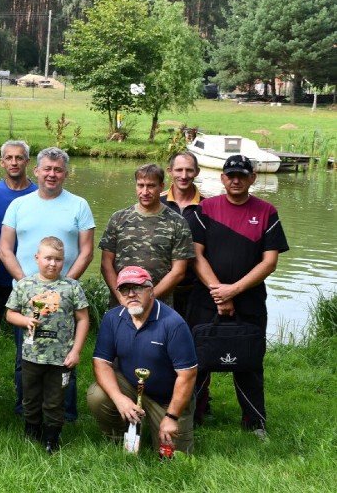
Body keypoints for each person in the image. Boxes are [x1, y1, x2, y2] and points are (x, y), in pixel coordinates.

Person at [188, 155, 289, 437]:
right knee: (197, 361)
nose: (235, 180)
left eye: (242, 175)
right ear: (222, 178)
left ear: (252, 178)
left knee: (250, 362)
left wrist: (234, 290)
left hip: (250, 300)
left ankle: (255, 422)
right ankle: (190, 417)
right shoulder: (205, 209)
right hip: (206, 298)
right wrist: (218, 292)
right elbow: (195, 255)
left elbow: (269, 262)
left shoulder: (267, 211)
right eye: (230, 175)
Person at [0, 146, 95, 418]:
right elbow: (6, 248)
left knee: (64, 358)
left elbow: (87, 251)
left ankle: (64, 413)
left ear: (66, 174)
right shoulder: (18, 205)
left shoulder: (79, 205)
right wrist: (28, 285)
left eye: (58, 170)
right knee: (25, 356)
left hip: (65, 296)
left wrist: (64, 287)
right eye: (47, 169)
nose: (52, 174)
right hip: (28, 296)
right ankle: (25, 409)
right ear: (37, 171)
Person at [87, 266, 198, 455]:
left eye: (137, 288)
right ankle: (119, 438)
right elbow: (101, 363)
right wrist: (119, 398)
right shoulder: (112, 318)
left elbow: (187, 375)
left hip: (167, 399)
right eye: (124, 289)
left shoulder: (173, 323)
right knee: (97, 395)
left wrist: (171, 416)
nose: (131, 294)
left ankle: (163, 424)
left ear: (151, 290)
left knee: (172, 458)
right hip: (130, 385)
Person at [5, 237, 89, 453]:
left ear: (64, 261)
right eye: (48, 258)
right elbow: (10, 314)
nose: (53, 263)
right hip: (31, 356)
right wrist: (24, 321)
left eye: (58, 260)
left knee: (55, 399)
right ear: (37, 258)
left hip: (61, 358)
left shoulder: (72, 287)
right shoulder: (25, 285)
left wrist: (76, 350)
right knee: (30, 397)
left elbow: (83, 319)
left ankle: (52, 438)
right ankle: (31, 432)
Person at [99, 163, 194, 309]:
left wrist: (149, 298)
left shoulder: (177, 222)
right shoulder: (118, 218)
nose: (145, 191)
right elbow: (106, 264)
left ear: (161, 187)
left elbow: (179, 271)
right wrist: (122, 298)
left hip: (158, 304)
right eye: (140, 185)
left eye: (151, 186)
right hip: (121, 303)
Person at [0, 140, 38, 344]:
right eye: (9, 158)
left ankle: (26, 373)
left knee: (29, 334)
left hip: (27, 274)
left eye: (19, 157)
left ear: (28, 162)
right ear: (1, 162)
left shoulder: (39, 194)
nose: (14, 162)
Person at [160, 151, 205, 319]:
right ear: (170, 171)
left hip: (195, 288)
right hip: (160, 286)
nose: (184, 175)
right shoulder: (156, 203)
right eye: (179, 170)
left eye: (189, 170)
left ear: (197, 172)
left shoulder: (208, 207)